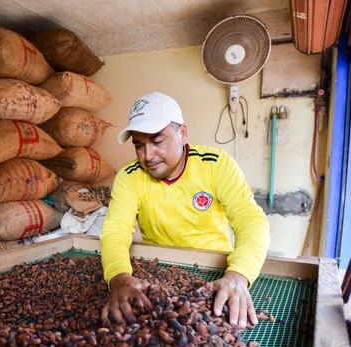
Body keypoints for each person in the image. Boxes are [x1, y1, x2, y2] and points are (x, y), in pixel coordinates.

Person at [101, 92, 270, 329]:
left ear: (183, 134)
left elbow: (251, 220)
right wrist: (119, 278)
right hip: (154, 271)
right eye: (139, 145)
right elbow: (116, 230)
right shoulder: (129, 177)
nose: (147, 156)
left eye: (157, 142)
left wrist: (238, 276)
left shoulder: (216, 164)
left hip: (216, 272)